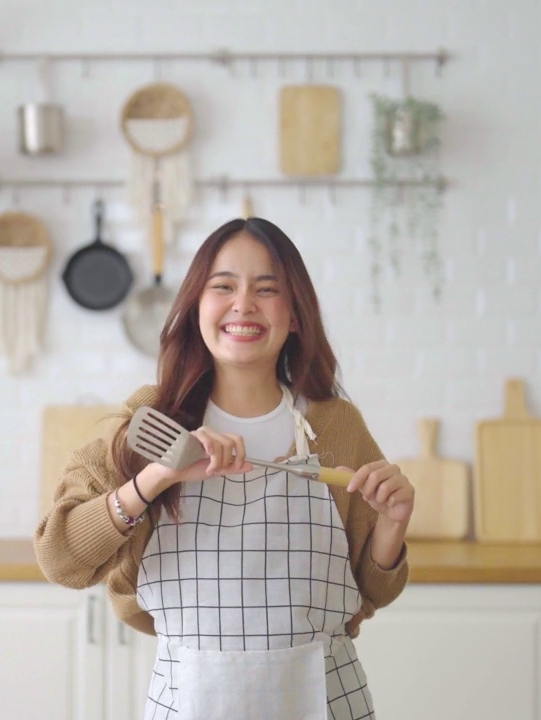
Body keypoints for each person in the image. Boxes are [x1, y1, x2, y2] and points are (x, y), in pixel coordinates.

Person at [35, 217, 415, 720]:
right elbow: (59, 559)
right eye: (223, 287)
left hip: (324, 701)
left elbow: (373, 590)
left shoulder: (334, 425)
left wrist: (391, 526)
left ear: (295, 315)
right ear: (195, 307)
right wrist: (157, 477)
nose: (243, 304)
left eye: (267, 289)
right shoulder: (150, 422)